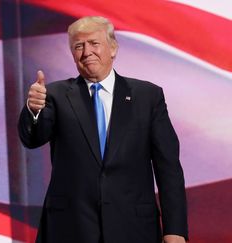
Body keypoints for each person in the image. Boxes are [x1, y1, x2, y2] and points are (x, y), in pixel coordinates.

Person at [18, 16, 188, 243]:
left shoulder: (147, 97)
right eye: (78, 46)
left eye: (93, 43)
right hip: (70, 229)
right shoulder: (55, 95)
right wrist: (33, 110)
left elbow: (168, 168)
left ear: (113, 48)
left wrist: (175, 230)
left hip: (134, 229)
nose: (86, 51)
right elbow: (32, 138)